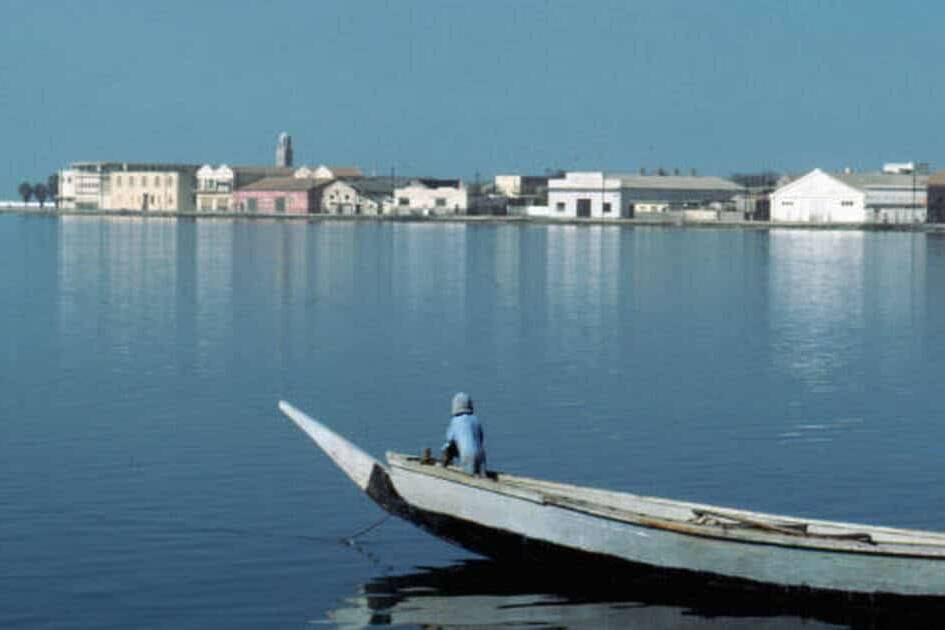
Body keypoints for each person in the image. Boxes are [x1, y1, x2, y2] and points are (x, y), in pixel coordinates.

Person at [442, 392, 486, 476]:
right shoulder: (476, 420)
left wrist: (444, 461)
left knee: (469, 476)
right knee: (481, 475)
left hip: (467, 456)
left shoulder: (455, 421)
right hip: (481, 456)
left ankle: (444, 468)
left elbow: (449, 442)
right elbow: (481, 439)